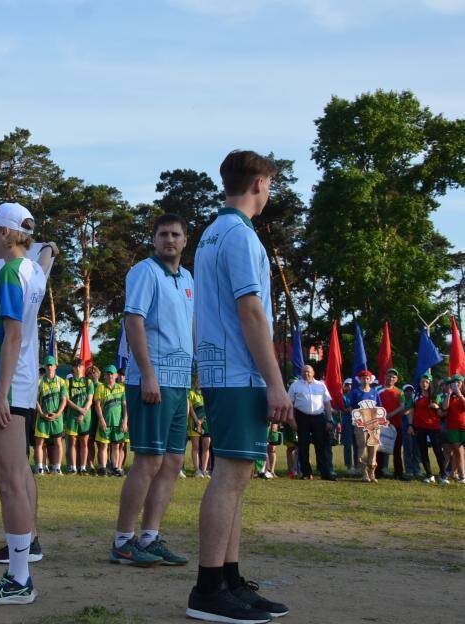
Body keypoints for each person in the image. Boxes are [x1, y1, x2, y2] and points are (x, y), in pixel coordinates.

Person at [186, 150, 290, 624]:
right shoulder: (241, 236)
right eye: (270, 184)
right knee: (229, 475)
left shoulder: (212, 232)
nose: (269, 192)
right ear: (258, 184)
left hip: (222, 367)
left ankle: (228, 578)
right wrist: (276, 382)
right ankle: (208, 588)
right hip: (238, 370)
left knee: (238, 475)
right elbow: (251, 311)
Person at [0, 202, 55, 606]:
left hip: (3, 386)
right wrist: (49, 250)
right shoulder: (32, 270)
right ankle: (21, 569)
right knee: (15, 477)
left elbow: (13, 336)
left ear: (5, 233)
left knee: (9, 480)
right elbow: (43, 262)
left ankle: (19, 579)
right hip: (20, 386)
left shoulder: (9, 273)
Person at [112, 213, 195, 568]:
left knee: (173, 462)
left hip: (179, 382)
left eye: (175, 234)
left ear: (185, 240)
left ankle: (149, 536)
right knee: (149, 460)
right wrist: (147, 373)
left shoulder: (188, 278)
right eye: (163, 234)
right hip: (153, 379)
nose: (169, 240)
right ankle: (123, 540)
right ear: (154, 239)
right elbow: (134, 320)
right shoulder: (144, 272)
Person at [286, 365, 335, 481]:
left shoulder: (321, 385)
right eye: (303, 372)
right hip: (302, 417)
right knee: (303, 446)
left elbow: (327, 403)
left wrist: (329, 420)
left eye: (308, 372)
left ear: (313, 373)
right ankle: (306, 473)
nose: (306, 374)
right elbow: (290, 404)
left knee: (321, 446)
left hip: (319, 418)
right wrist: (292, 420)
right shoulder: (295, 386)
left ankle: (325, 473)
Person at [410, 374, 447, 483]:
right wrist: (410, 425)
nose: (424, 384)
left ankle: (443, 475)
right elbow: (412, 411)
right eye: (422, 382)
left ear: (430, 383)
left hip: (433, 427)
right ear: (419, 383)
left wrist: (437, 407)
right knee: (423, 452)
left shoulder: (436, 396)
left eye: (426, 382)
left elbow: (441, 413)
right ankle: (429, 475)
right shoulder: (415, 395)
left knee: (438, 451)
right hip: (419, 427)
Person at [34, 356, 66, 475]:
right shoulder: (39, 382)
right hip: (42, 417)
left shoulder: (61, 381)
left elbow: (64, 400)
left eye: (51, 365)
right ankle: (40, 467)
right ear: (45, 367)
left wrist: (57, 414)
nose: (49, 367)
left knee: (58, 442)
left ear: (55, 366)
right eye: (47, 365)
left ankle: (57, 468)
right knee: (40, 443)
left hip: (57, 418)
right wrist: (41, 413)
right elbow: (35, 399)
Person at [349, 369, 382, 482]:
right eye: (363, 378)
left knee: (373, 446)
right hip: (361, 424)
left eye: (367, 378)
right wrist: (356, 418)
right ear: (360, 379)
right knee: (362, 446)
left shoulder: (374, 392)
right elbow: (351, 407)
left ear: (370, 379)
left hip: (373, 423)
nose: (365, 380)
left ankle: (372, 472)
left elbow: (379, 406)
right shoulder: (355, 392)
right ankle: (364, 473)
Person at [94, 366, 127, 476]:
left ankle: (115, 467)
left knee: (116, 446)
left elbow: (125, 407)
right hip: (105, 422)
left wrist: (125, 421)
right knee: (104, 445)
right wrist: (101, 420)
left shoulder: (121, 388)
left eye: (112, 373)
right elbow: (97, 406)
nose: (110, 376)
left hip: (118, 423)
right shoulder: (100, 388)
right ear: (105, 376)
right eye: (108, 374)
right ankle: (103, 467)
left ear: (116, 375)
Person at [62, 363, 95, 474]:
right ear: (73, 368)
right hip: (72, 415)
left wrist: (82, 413)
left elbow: (90, 400)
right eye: (75, 366)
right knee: (72, 442)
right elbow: (67, 400)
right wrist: (79, 409)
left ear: (83, 367)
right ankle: (73, 467)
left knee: (84, 442)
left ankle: (83, 467)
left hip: (85, 416)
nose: (77, 368)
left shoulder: (88, 382)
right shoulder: (68, 382)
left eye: (80, 366)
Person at [377, 369, 409, 480]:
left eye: (393, 377)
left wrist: (391, 414)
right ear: (385, 377)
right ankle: (378, 471)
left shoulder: (400, 392)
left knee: (397, 449)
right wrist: (382, 416)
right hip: (381, 423)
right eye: (389, 376)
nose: (391, 378)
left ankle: (398, 473)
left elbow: (402, 406)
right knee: (379, 448)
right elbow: (373, 404)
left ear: (396, 379)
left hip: (396, 424)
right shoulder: (377, 390)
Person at [188, 377, 211, 477]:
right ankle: (197, 470)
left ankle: (204, 470)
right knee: (195, 447)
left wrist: (203, 419)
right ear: (195, 382)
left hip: (206, 423)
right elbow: (190, 408)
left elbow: (210, 407)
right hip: (195, 423)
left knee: (206, 447)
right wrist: (197, 420)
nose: (200, 383)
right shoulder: (191, 393)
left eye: (202, 381)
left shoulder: (207, 393)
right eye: (198, 381)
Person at [444, 375, 465, 483]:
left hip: (464, 427)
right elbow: (444, 407)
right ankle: (462, 476)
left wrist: (459, 394)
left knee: (461, 452)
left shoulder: (463, 394)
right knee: (458, 451)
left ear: (462, 384)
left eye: (458, 382)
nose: (456, 384)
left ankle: (457, 473)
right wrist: (449, 394)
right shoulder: (450, 395)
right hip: (453, 428)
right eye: (454, 383)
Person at [339, 378, 357, 473]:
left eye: (351, 384)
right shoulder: (343, 397)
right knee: (348, 444)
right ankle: (349, 466)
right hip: (347, 422)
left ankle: (358, 465)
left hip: (357, 421)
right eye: (347, 384)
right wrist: (348, 409)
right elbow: (341, 410)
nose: (349, 386)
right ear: (344, 386)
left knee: (357, 444)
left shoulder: (357, 395)